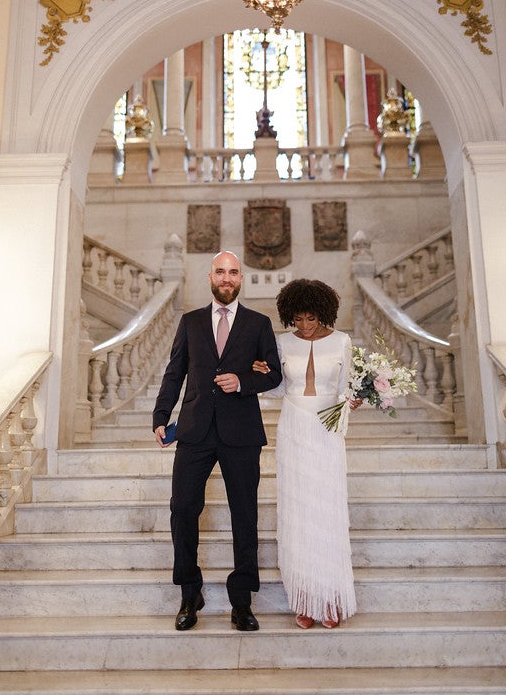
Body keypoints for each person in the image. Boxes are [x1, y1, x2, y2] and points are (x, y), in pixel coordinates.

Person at [153, 250, 282, 633]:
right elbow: (174, 371)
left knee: (245, 515)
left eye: (234, 272)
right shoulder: (189, 321)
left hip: (241, 432)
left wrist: (244, 382)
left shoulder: (259, 323)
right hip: (194, 429)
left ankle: (242, 602)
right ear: (209, 276)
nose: (227, 278)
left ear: (241, 278)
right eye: (221, 272)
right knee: (182, 510)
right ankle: (189, 594)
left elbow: (274, 374)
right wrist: (161, 416)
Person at [253, 279, 360, 629]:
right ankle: (303, 599)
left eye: (310, 318)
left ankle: (329, 598)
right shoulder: (283, 343)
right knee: (298, 512)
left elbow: (347, 390)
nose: (303, 325)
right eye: (297, 318)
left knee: (326, 513)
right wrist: (263, 377)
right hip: (294, 427)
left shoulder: (342, 342)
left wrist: (355, 401)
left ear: (324, 313)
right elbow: (281, 389)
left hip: (328, 430)